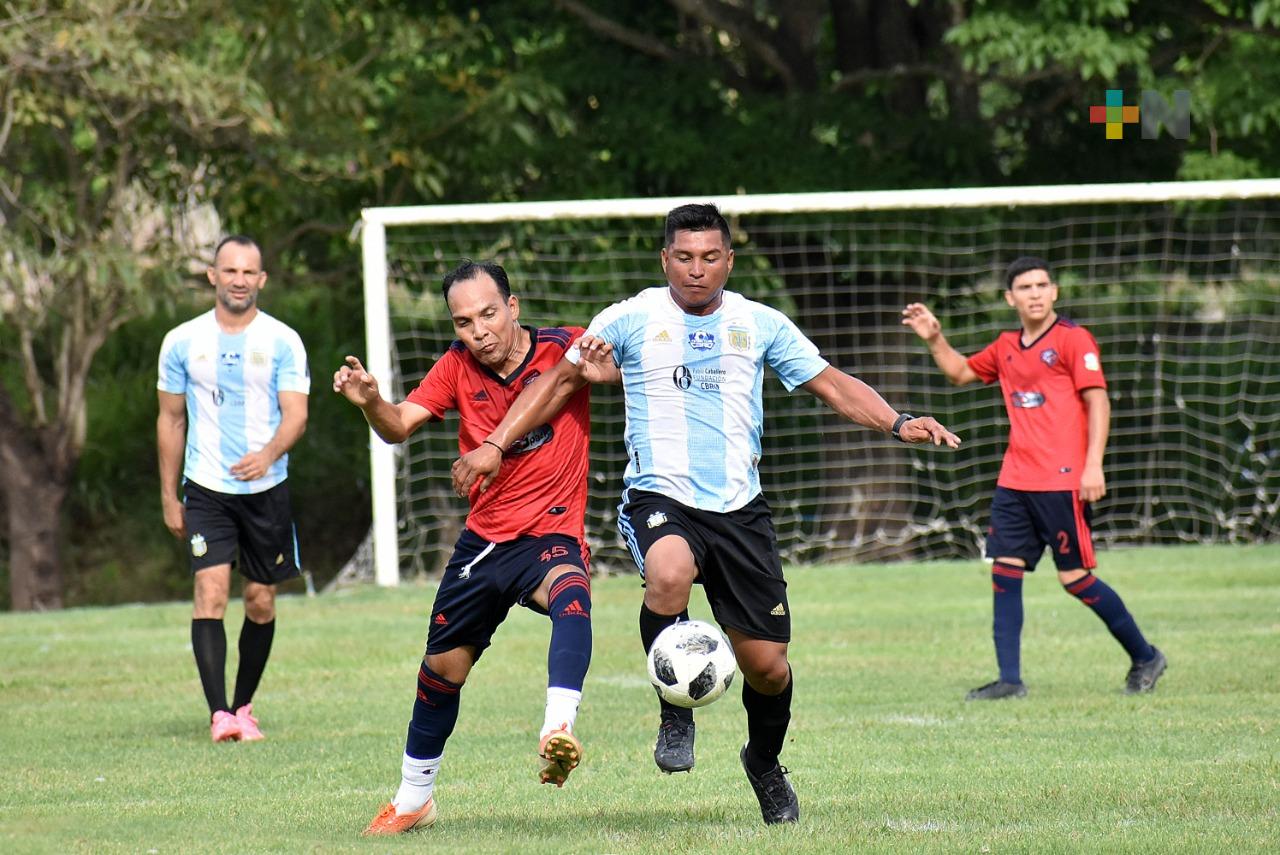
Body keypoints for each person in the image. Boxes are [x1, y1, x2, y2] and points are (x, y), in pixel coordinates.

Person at [451, 204, 960, 826]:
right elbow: (559, 381)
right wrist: (495, 445)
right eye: (684, 258)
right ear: (665, 259)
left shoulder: (761, 323)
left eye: (710, 257)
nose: (697, 270)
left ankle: (765, 764)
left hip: (740, 512)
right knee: (668, 574)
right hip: (659, 496)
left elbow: (831, 383)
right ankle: (675, 708)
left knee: (768, 669)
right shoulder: (631, 317)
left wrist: (899, 421)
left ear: (729, 260)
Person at [335, 260, 616, 836]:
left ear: (513, 307)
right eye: (463, 322)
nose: (478, 331)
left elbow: (599, 369)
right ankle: (414, 800)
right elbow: (398, 425)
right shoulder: (455, 368)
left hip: (552, 531)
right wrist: (370, 402)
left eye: (488, 314)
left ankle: (557, 729)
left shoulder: (565, 347)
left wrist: (612, 371)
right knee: (441, 672)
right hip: (485, 544)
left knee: (572, 592)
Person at [902, 256, 1167, 701]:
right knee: (1005, 573)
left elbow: (1098, 402)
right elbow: (961, 371)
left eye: (1043, 285)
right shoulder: (1006, 346)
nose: (1036, 293)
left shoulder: (1072, 339)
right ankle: (1010, 681)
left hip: (1062, 480)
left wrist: (1093, 464)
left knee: (1076, 580)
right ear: (1011, 298)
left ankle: (1146, 656)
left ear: (1055, 292)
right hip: (1015, 481)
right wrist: (935, 338)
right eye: (1025, 287)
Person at [156, 235, 310, 743]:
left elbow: (297, 415)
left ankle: (244, 706)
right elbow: (170, 420)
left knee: (261, 600)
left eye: (249, 272)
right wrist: (168, 495)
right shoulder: (182, 341)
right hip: (206, 489)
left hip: (267, 490)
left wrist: (266, 455)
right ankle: (220, 714)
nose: (239, 280)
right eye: (230, 271)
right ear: (213, 276)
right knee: (210, 591)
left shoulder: (283, 341)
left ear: (261, 280)